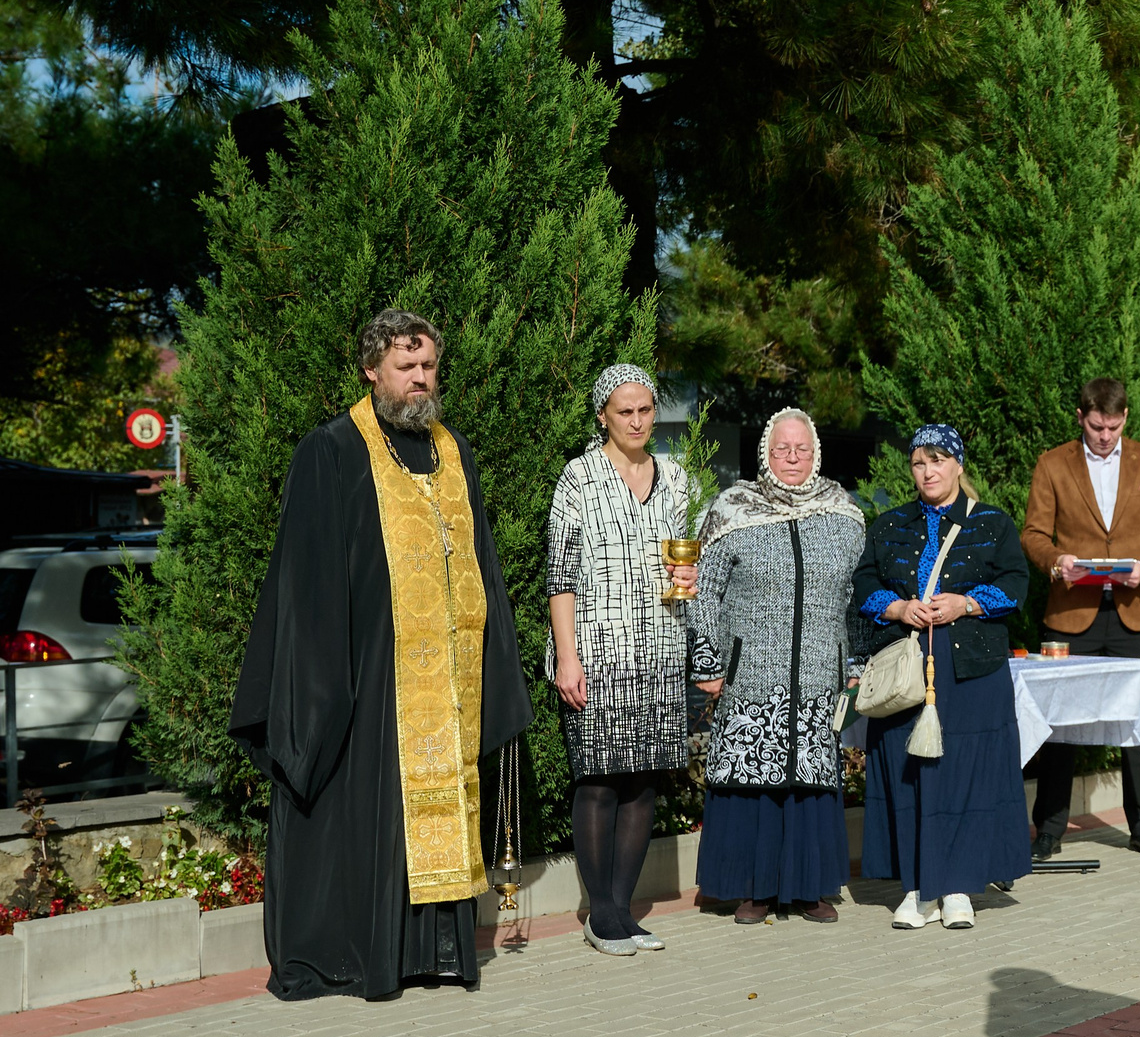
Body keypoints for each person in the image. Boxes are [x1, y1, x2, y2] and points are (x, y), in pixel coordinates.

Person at [232, 309, 534, 1002]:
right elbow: (306, 583)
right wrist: (319, 689)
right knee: (363, 819)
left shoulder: (454, 452)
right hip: (365, 680)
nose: (420, 379)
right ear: (372, 371)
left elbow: (481, 564)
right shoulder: (331, 450)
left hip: (445, 686)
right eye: (407, 367)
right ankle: (354, 958)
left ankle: (431, 955)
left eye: (428, 365)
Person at [686, 409, 866, 924]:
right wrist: (707, 660)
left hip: (818, 675)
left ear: (816, 454)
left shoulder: (843, 515)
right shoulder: (731, 509)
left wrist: (853, 661)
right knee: (751, 781)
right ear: (766, 452)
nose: (792, 458)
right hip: (749, 676)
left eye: (801, 449)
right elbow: (704, 594)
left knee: (810, 781)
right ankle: (753, 890)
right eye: (781, 448)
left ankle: (809, 890)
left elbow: (855, 598)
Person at [546, 363, 700, 957]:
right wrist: (567, 657)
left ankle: (625, 909)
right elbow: (559, 577)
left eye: (644, 410)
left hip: (661, 647)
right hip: (597, 650)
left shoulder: (678, 478)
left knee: (642, 783)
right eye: (623, 412)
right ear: (603, 416)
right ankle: (601, 913)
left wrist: (687, 574)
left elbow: (680, 566)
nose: (637, 421)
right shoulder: (578, 479)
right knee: (600, 779)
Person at [855, 425, 1032, 929]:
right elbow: (863, 583)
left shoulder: (993, 523)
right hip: (907, 674)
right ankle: (914, 886)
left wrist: (967, 602)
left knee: (966, 778)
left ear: (958, 465)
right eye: (918, 463)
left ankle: (957, 887)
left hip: (973, 673)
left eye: (938, 460)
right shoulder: (889, 525)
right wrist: (897, 607)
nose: (928, 471)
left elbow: (1016, 584)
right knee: (909, 776)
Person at [1020, 378, 1140, 860]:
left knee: (1136, 721)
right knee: (1058, 726)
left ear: (1125, 418)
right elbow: (1032, 532)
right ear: (1080, 417)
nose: (1105, 435)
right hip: (1071, 612)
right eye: (1096, 427)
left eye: (1113, 426)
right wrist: (1057, 562)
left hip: (1135, 611)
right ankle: (1048, 829)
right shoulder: (1053, 464)